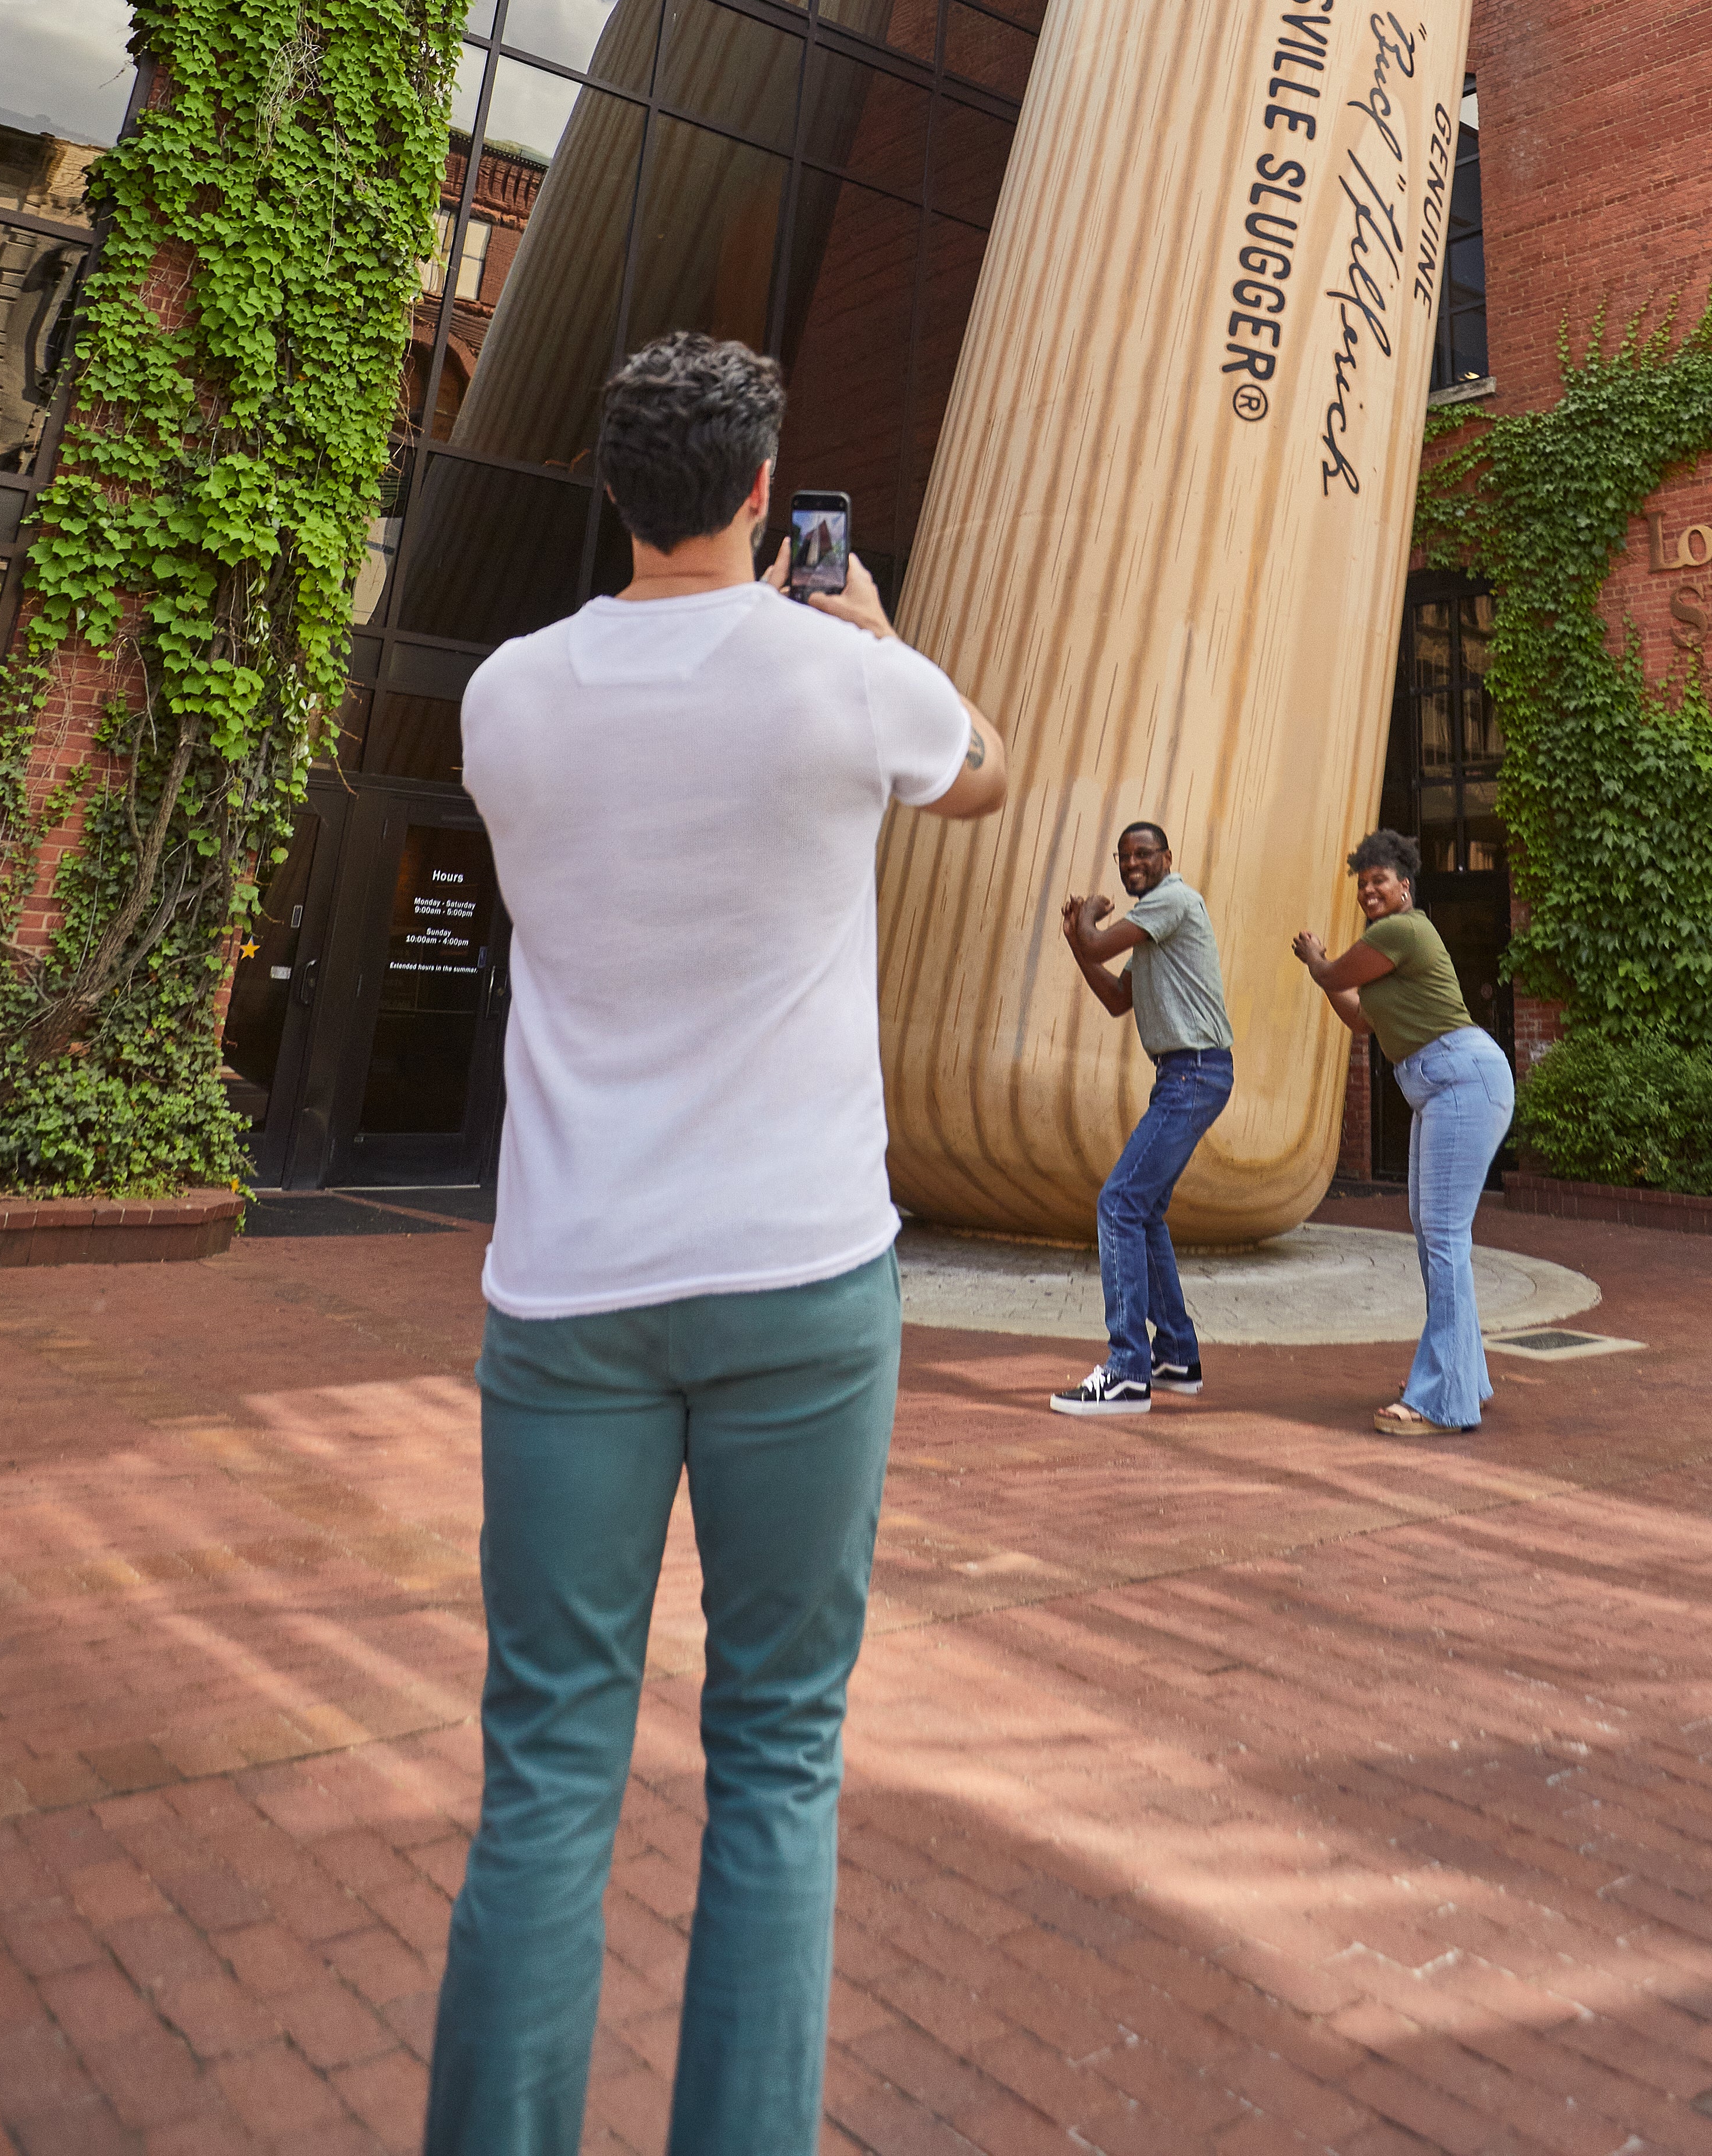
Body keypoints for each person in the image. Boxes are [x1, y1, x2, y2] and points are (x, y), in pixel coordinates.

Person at [429, 333, 1007, 2156]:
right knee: (772, 1751)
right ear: (769, 496)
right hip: (796, 1278)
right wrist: (873, 632)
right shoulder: (837, 678)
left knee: (543, 1765)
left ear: (617, 486)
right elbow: (985, 772)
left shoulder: (505, 694)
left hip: (568, 1284)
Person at [1293, 831, 1515, 1438]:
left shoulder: (1400, 930)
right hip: (1440, 1087)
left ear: (1404, 887)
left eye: (1379, 881)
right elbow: (1361, 1016)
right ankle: (1461, 1375)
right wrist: (1326, 974)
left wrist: (1316, 957)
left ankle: (1442, 1398)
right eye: (1362, 883)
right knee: (1434, 1232)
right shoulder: (1390, 952)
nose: (1369, 890)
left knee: (1442, 1236)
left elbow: (1334, 971)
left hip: (1460, 1081)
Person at [1051, 820, 1234, 1418]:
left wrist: (1089, 919)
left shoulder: (1173, 900)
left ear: (1166, 858)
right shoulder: (1153, 924)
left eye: (1143, 853)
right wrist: (1082, 940)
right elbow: (1115, 998)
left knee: (1118, 1204)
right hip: (1186, 1074)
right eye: (1124, 856)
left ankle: (1127, 1372)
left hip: (1195, 1072)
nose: (1132, 863)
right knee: (1143, 1209)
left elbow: (1099, 941)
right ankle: (1176, 1356)